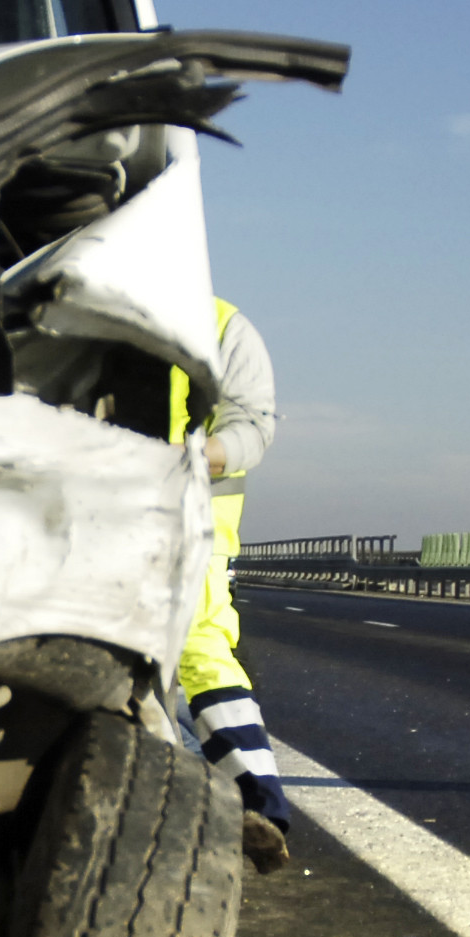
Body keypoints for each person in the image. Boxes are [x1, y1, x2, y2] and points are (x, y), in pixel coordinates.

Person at [173, 298, 294, 872]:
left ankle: (259, 810)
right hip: (76, 528)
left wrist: (185, 458)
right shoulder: (49, 299)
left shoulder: (221, 325)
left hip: (190, 531)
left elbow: (251, 429)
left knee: (200, 658)